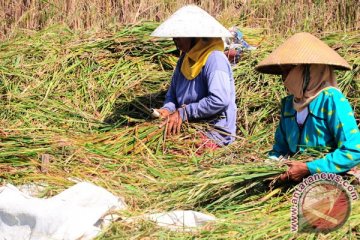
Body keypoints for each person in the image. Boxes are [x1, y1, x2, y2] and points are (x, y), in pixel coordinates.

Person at [255, 32, 360, 182]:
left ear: (309, 71)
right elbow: (280, 149)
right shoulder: (288, 105)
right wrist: (269, 166)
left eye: (288, 71)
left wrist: (308, 168)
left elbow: (354, 150)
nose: (284, 78)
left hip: (328, 181)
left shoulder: (331, 100)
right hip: (295, 179)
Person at [151, 5, 237, 147]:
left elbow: (219, 100)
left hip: (214, 132)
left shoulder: (215, 60)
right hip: (188, 125)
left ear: (195, 37)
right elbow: (172, 96)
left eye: (179, 36)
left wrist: (185, 112)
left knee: (176, 154)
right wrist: (167, 109)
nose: (175, 40)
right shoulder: (184, 60)